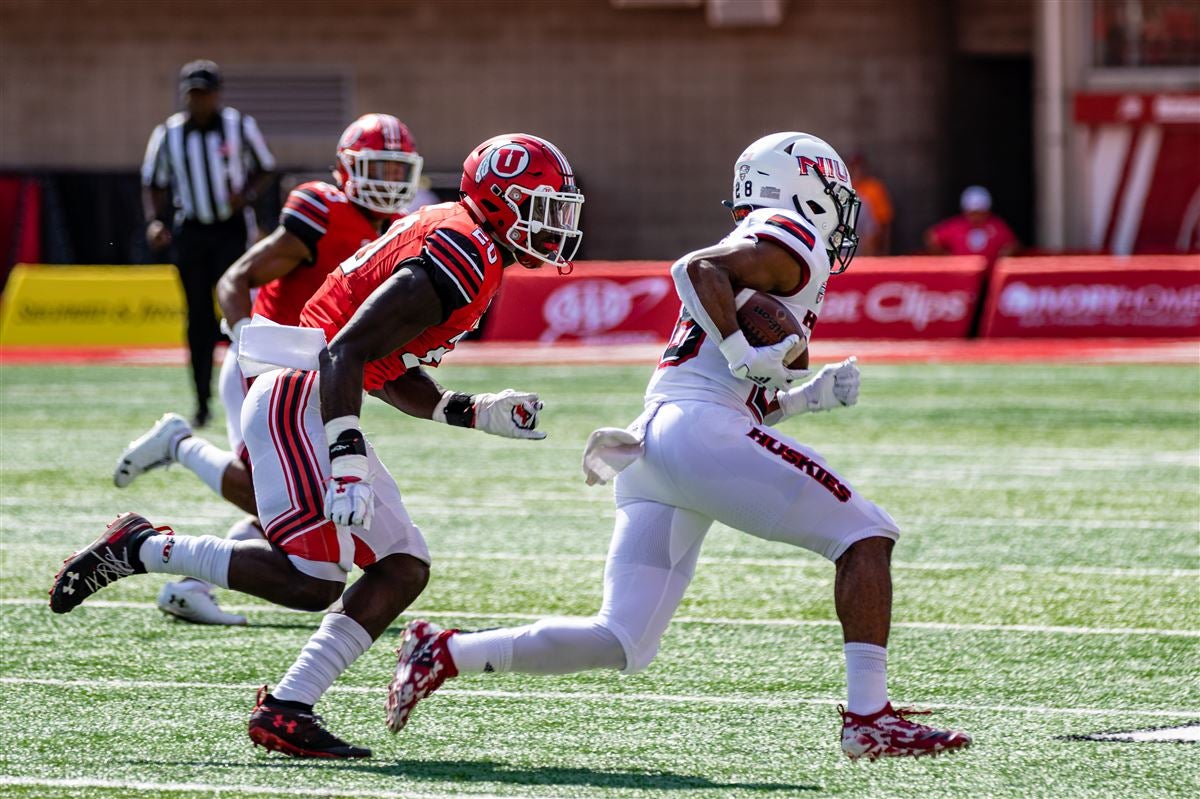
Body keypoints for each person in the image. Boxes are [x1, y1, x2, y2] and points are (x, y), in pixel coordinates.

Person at [385, 132, 972, 762]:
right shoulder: (790, 231)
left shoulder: (765, 250)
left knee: (623, 639)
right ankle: (869, 719)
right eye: (831, 190)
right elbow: (694, 269)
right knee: (865, 534)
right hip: (697, 431)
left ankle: (444, 651)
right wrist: (747, 351)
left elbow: (729, 388)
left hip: (659, 440)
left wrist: (808, 397)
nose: (838, 205)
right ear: (801, 184)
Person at [49, 134, 585, 759]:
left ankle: (288, 708)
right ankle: (142, 548)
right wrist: (348, 462)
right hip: (300, 393)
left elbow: (386, 366)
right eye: (542, 205)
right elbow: (344, 351)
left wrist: (472, 412)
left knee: (402, 564)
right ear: (499, 200)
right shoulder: (462, 250)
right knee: (311, 580)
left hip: (312, 388)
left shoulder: (467, 243)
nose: (554, 224)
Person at [114, 113, 424, 626]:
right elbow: (236, 278)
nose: (387, 183)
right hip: (265, 371)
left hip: (312, 380)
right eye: (376, 169)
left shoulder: (397, 232)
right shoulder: (323, 210)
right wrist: (245, 341)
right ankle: (180, 448)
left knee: (292, 505)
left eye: (396, 171)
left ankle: (190, 584)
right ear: (346, 169)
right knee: (273, 497)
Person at [142, 59, 277, 429]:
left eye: (205, 94)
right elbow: (153, 181)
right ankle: (201, 401)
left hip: (231, 229)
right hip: (192, 232)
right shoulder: (168, 134)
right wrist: (155, 220)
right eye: (193, 95)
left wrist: (247, 196)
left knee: (240, 313)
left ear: (217, 95)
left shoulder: (239, 126)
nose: (199, 101)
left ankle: (256, 393)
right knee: (198, 316)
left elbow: (266, 167)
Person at [924, 185, 1018, 263]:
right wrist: (947, 258)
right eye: (972, 213)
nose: (976, 217)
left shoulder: (997, 226)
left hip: (990, 277)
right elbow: (932, 238)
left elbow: (1013, 245)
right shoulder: (956, 225)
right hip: (960, 277)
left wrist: (1003, 257)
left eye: (980, 213)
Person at [848, 152, 893, 256]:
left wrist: (885, 251)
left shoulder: (874, 187)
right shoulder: (845, 187)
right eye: (853, 167)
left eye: (859, 166)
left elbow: (884, 222)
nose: (857, 170)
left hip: (869, 234)